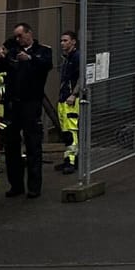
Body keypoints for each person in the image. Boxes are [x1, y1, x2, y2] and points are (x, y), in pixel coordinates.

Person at [0, 23, 53, 199]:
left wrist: (29, 59)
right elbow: (0, 67)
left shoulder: (42, 50)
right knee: (12, 145)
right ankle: (16, 185)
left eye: (20, 35)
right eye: (16, 36)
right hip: (13, 104)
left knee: (33, 145)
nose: (18, 39)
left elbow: (45, 65)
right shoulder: (13, 50)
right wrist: (1, 56)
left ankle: (34, 186)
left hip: (31, 103)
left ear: (29, 34)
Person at [55, 32, 82, 175]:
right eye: (61, 40)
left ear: (73, 42)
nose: (62, 43)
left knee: (71, 131)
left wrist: (74, 95)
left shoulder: (76, 57)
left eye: (65, 40)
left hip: (70, 100)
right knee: (66, 132)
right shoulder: (67, 58)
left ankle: (71, 162)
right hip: (63, 99)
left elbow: (81, 77)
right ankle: (69, 159)